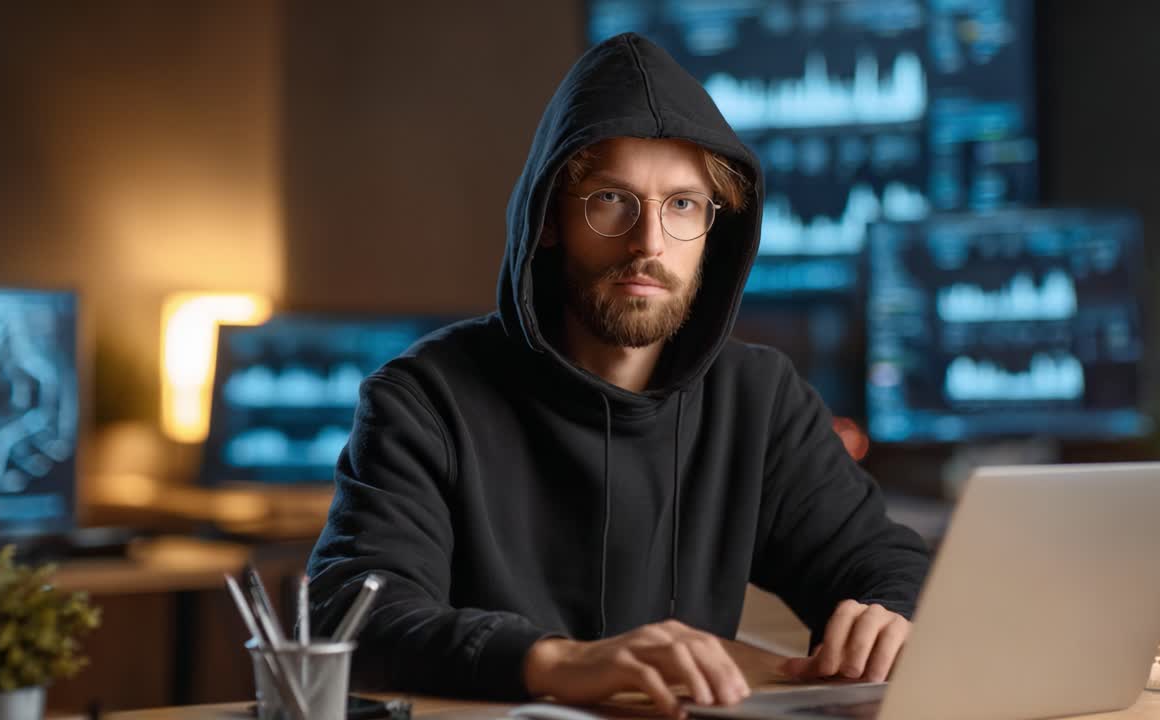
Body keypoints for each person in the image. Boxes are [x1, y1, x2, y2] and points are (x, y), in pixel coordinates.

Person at [307, 32, 929, 717]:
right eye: (611, 200)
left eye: (683, 205)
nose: (650, 244)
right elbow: (351, 616)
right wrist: (556, 662)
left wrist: (889, 611)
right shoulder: (424, 399)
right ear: (549, 220)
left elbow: (884, 562)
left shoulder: (759, 397)